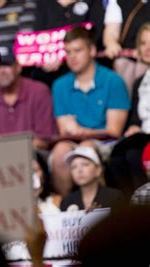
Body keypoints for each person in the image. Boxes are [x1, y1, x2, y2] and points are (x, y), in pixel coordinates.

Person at [50, 26, 130, 199]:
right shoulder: (60, 85)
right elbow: (66, 130)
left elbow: (114, 131)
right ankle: (67, 206)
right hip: (75, 141)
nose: (72, 57)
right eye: (68, 52)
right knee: (60, 151)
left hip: (107, 143)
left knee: (86, 150)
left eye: (77, 50)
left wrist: (84, 132)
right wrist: (78, 132)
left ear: (92, 50)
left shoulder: (112, 80)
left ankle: (98, 206)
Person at [0, 46, 57, 150]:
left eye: (6, 65)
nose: (1, 71)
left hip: (35, 155)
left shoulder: (39, 91)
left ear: (18, 67)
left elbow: (43, 140)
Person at [107, 22, 150, 197]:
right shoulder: (140, 81)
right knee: (116, 159)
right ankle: (128, 209)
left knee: (133, 156)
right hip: (144, 136)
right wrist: (133, 126)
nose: (147, 48)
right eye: (143, 43)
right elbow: (135, 119)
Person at [60, 146, 123, 211]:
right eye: (74, 167)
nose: (79, 170)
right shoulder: (67, 201)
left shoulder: (114, 197)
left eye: (85, 164)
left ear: (98, 170)